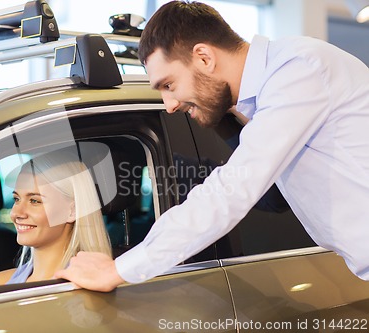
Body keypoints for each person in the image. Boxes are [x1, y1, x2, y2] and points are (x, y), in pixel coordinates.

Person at [54, 0, 369, 291]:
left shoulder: (297, 70)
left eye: (168, 85)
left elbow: (229, 191)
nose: (169, 105)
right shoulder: (267, 97)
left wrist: (117, 271)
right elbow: (273, 197)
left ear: (204, 57)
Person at [0, 150, 112, 285]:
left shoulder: (85, 288)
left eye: (34, 201)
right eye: (16, 199)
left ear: (72, 211)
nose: (16, 213)